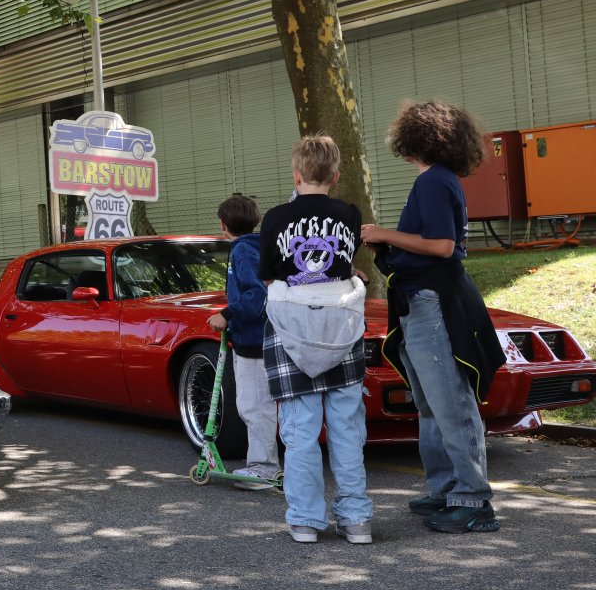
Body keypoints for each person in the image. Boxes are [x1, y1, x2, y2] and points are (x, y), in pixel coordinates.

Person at [363, 101, 504, 534]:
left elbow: (443, 246)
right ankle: (446, 490)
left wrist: (384, 234)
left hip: (433, 303)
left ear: (417, 137)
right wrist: (391, 245)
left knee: (450, 403)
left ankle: (473, 500)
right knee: (429, 404)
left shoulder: (433, 182)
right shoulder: (438, 180)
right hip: (421, 300)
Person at [257, 135, 371, 545]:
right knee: (347, 427)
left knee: (300, 431)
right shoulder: (350, 215)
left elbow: (267, 275)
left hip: (291, 330)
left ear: (296, 175)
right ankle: (356, 520)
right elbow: (344, 264)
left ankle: (305, 520)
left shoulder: (274, 218)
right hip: (341, 328)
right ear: (335, 176)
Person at [206, 193, 278, 489]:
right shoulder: (261, 245)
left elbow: (258, 293)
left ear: (223, 225)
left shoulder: (243, 251)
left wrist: (227, 313)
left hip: (253, 338)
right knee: (264, 403)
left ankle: (263, 469)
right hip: (265, 335)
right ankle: (265, 464)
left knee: (254, 404)